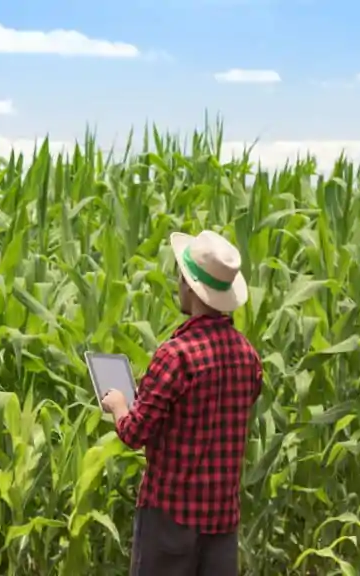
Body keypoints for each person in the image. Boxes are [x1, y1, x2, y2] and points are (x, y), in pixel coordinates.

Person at [101, 229, 264, 576]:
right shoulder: (248, 356)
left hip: (170, 520)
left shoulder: (176, 356)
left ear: (189, 286)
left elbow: (134, 432)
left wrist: (118, 403)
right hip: (222, 522)